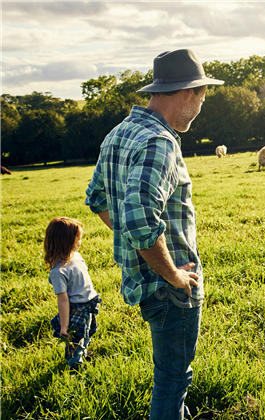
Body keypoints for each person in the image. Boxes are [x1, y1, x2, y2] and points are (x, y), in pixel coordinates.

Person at [85, 49, 223, 419]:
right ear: (188, 92)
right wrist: (172, 273)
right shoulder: (160, 142)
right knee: (172, 378)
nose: (200, 106)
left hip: (143, 281)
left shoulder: (120, 132)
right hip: (170, 289)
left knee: (170, 375)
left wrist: (133, 240)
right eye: (202, 97)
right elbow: (140, 219)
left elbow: (96, 196)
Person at [44, 217, 101, 370]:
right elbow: (62, 300)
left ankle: (82, 352)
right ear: (66, 241)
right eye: (78, 239)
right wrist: (64, 326)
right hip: (76, 308)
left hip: (90, 303)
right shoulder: (58, 272)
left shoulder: (75, 256)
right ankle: (75, 364)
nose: (80, 242)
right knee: (76, 338)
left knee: (88, 332)